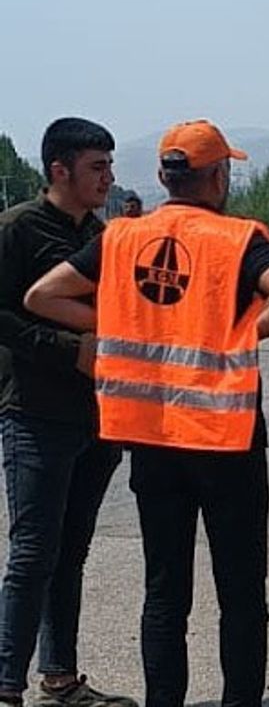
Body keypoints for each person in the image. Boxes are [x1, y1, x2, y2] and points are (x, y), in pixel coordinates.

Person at [25, 119, 269, 707]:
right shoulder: (240, 240)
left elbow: (42, 296)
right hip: (228, 441)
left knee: (164, 593)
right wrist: (239, 335)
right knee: (240, 593)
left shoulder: (120, 238)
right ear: (219, 177)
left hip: (152, 441)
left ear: (163, 177)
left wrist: (120, 322)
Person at [0, 117, 136, 707]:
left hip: (97, 416)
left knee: (70, 551)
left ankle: (59, 677)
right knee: (33, 554)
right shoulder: (17, 229)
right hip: (34, 414)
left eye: (110, 165)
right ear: (59, 170)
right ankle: (6, 685)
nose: (108, 177)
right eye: (97, 167)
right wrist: (65, 350)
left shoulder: (103, 236)